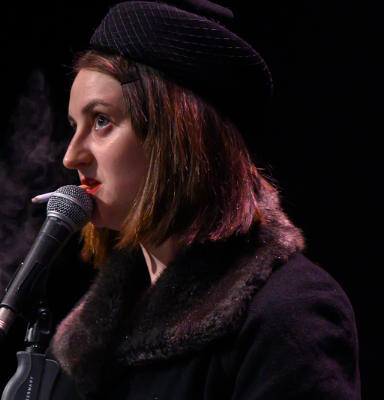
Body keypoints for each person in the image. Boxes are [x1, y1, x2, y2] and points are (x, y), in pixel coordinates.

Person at [42, 1, 360, 399]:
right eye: (75, 127)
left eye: (101, 121)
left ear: (176, 140)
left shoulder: (286, 313)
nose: (71, 157)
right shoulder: (98, 332)